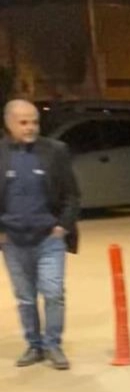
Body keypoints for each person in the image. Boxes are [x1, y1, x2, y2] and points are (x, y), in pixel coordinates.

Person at [0, 99, 80, 370]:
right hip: (12, 241)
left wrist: (62, 227)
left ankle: (53, 344)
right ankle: (34, 345)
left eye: (34, 122)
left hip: (49, 239)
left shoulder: (55, 151)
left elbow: (72, 194)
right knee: (25, 297)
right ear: (9, 123)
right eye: (23, 122)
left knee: (53, 292)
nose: (30, 127)